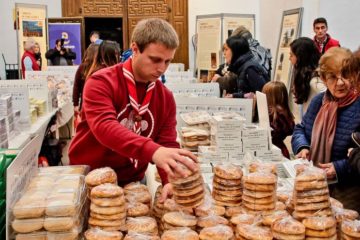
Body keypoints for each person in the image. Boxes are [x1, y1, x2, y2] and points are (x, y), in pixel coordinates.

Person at [69, 18, 198, 201]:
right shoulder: (101, 82)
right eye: (155, 59)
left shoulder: (165, 97)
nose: (161, 68)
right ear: (135, 49)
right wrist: (153, 151)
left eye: (167, 62)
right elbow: (105, 128)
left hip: (132, 182)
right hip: (88, 178)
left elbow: (166, 143)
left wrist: (169, 180)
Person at [291, 47, 360, 211]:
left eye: (345, 75)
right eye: (333, 77)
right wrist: (303, 147)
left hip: (348, 191)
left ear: (354, 74)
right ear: (323, 78)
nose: (341, 82)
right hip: (314, 183)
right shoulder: (318, 102)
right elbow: (300, 129)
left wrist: (338, 168)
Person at [289, 37, 326, 116]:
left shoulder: (315, 82)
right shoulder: (305, 76)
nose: (289, 58)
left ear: (301, 57)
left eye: (291, 55)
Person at [262, 81, 295, 159]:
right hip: (279, 149)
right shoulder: (282, 112)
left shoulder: (277, 114)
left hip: (276, 152)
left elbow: (290, 130)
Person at [72, 43, 99, 116]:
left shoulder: (82, 67)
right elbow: (76, 86)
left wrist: (76, 104)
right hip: (97, 103)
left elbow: (76, 87)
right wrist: (75, 103)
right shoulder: (99, 67)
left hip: (85, 103)